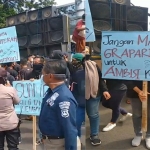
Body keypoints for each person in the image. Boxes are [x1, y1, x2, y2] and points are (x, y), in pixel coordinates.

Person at [39, 59, 81, 150]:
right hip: (50, 142)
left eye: (43, 74)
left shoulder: (64, 98)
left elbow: (69, 128)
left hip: (58, 144)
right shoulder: (51, 91)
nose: (42, 77)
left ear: (50, 76)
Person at [85, 55, 111, 146]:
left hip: (94, 94)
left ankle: (94, 135)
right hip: (77, 96)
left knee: (93, 115)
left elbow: (100, 79)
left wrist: (104, 90)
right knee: (77, 116)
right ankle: (76, 136)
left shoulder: (94, 64)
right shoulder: (71, 65)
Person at [0, 68, 20, 150]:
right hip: (10, 122)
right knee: (12, 147)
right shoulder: (10, 90)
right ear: (5, 79)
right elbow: (17, 101)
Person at [126, 81, 150, 149]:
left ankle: (148, 135)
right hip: (134, 91)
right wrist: (139, 91)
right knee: (137, 114)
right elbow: (126, 77)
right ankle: (138, 134)